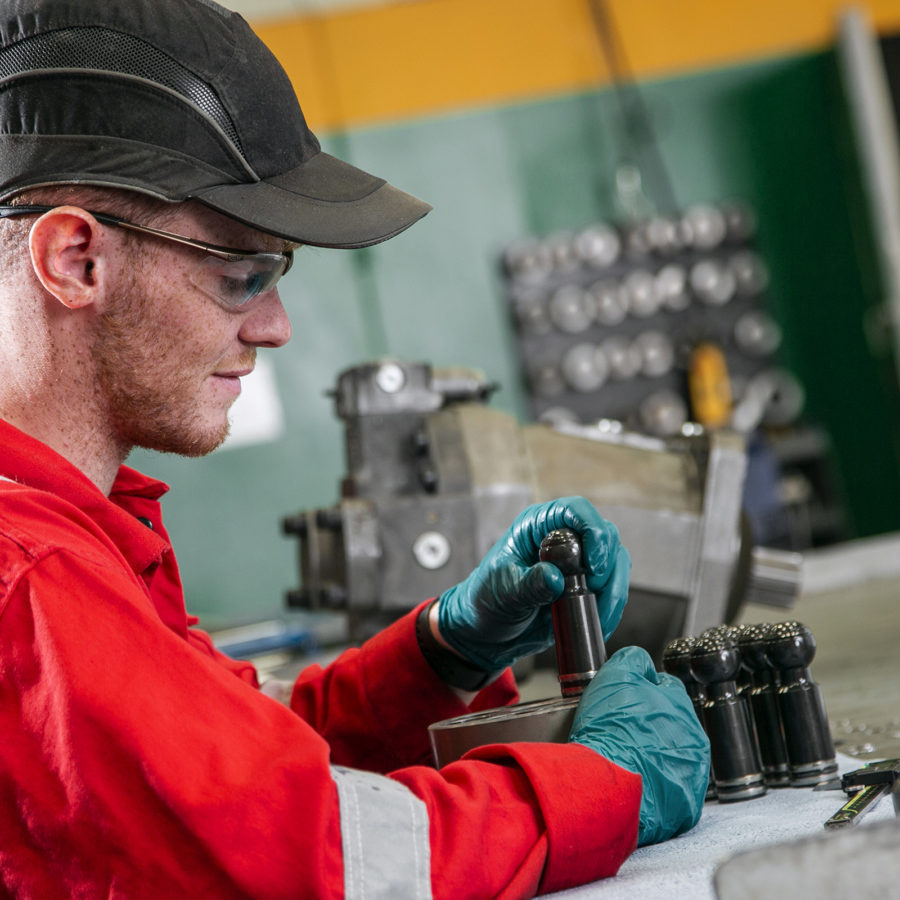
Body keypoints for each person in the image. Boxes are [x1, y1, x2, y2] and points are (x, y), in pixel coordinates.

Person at [0, 1, 709, 898]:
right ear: (75, 260)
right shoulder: (31, 581)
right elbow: (319, 865)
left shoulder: (80, 538)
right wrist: (609, 784)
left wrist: (441, 655)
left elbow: (235, 773)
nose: (276, 325)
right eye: (240, 275)